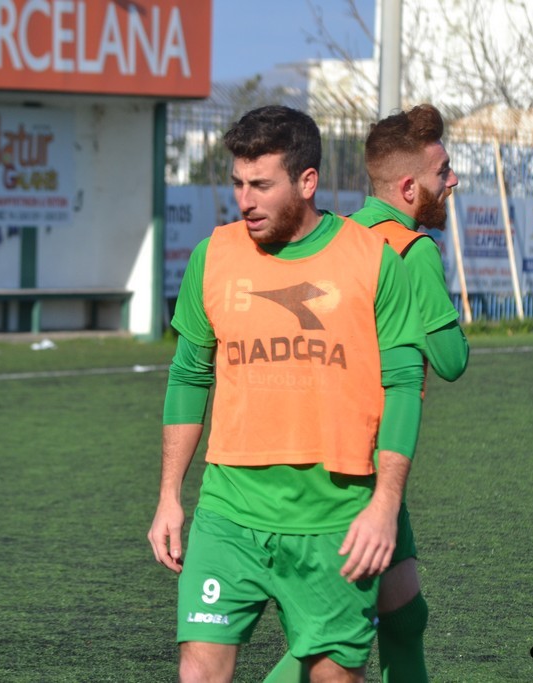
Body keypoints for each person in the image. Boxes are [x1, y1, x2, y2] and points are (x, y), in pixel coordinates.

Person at [147, 105, 427, 683]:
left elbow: (404, 385)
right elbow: (188, 376)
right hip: (229, 512)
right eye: (238, 184)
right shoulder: (213, 257)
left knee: (333, 675)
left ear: (307, 181)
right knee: (197, 669)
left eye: (261, 185)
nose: (245, 201)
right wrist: (169, 496)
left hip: (334, 517)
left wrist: (385, 505)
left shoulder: (372, 260)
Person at [265, 103, 469, 683]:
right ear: (409, 188)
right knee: (332, 634)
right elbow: (451, 361)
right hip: (367, 461)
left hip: (316, 443)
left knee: (404, 616)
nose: (453, 181)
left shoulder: (341, 237)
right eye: (442, 172)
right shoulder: (412, 250)